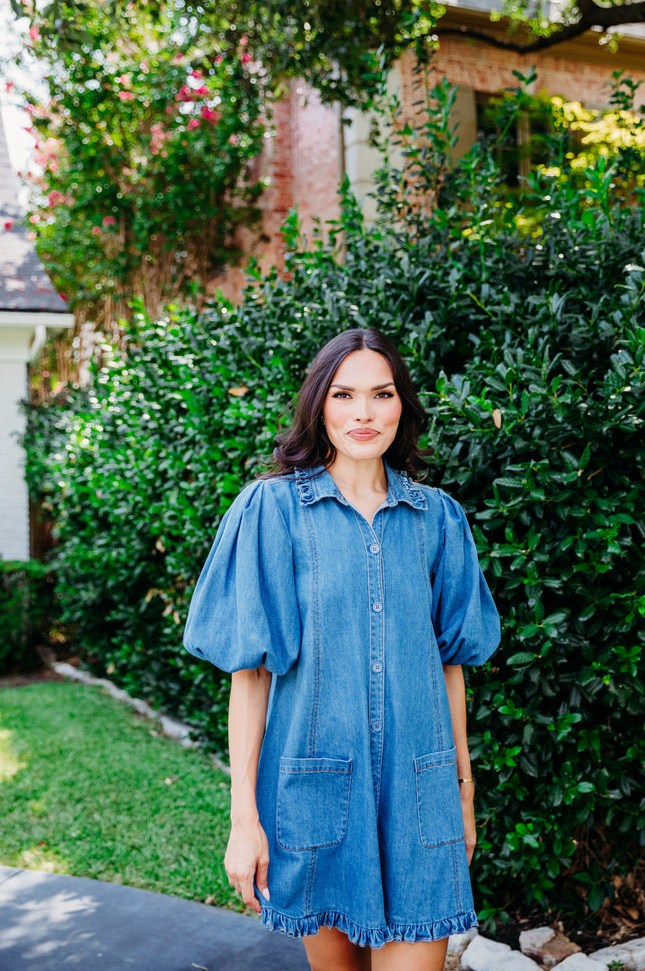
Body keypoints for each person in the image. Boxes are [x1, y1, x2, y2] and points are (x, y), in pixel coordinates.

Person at [183, 328, 500, 971]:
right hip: (312, 798)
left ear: (402, 407)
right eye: (344, 394)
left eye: (381, 395)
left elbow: (451, 665)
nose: (363, 413)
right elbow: (251, 676)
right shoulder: (271, 511)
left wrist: (463, 794)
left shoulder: (438, 519)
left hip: (421, 800)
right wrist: (244, 819)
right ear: (319, 407)